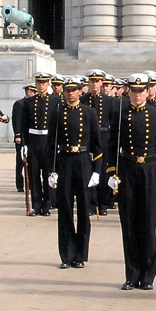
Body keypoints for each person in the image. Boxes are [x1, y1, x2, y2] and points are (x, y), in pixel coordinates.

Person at [107, 74, 156, 290]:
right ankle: (131, 274)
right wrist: (111, 172)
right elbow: (112, 146)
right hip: (127, 170)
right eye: (133, 91)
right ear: (128, 92)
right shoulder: (119, 114)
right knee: (129, 225)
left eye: (141, 91)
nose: (137, 95)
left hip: (150, 171)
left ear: (147, 92)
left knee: (147, 224)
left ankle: (148, 275)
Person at [48, 78, 102, 269]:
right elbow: (51, 145)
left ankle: (80, 254)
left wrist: (97, 171)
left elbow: (97, 145)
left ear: (80, 91)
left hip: (83, 161)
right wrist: (51, 170)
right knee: (65, 209)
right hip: (64, 161)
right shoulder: (58, 112)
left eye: (74, 90)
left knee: (83, 210)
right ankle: (66, 254)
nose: (70, 94)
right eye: (67, 91)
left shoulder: (89, 113)